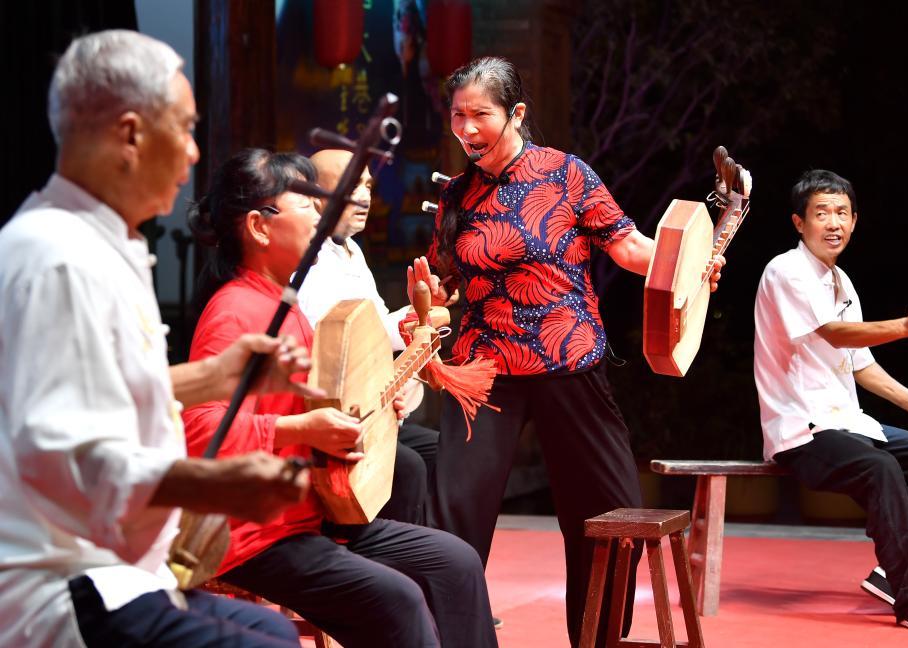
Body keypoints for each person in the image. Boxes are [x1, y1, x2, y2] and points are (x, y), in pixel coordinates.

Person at [0, 30, 325, 647]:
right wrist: (212, 484)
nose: (195, 153)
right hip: (62, 580)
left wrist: (217, 375)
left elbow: (96, 390)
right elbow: (58, 456)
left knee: (270, 632)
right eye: (183, 127)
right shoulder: (57, 258)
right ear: (129, 134)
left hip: (116, 564)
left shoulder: (98, 242)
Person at [408, 56, 723, 646]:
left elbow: (628, 247)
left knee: (611, 513)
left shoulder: (567, 174)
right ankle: (449, 638)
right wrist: (427, 298)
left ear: (516, 114)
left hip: (568, 358)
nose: (467, 129)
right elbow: (449, 285)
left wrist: (687, 264)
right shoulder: (456, 196)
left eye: (481, 115)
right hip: (484, 369)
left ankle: (598, 637)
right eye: (458, 116)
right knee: (454, 515)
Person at [184, 147, 498, 648]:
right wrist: (300, 432)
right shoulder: (236, 311)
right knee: (397, 598)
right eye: (306, 203)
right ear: (260, 228)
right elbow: (201, 430)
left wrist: (380, 397)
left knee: (454, 562)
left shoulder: (283, 305)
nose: (320, 213)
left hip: (313, 512)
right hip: (259, 533)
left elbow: (327, 396)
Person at [753, 169, 908, 634]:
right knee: (881, 469)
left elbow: (858, 362)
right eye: (821, 213)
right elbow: (834, 334)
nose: (833, 223)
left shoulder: (841, 281)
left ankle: (896, 578)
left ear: (854, 221)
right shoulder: (785, 270)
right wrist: (906, 327)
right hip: (801, 431)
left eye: (842, 213)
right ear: (799, 222)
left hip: (850, 424)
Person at [299, 149, 439, 525]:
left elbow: (375, 332)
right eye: (350, 186)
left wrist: (418, 312)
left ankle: (435, 553)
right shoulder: (308, 260)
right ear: (316, 197)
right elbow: (326, 351)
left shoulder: (351, 251)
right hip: (340, 414)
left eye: (367, 185)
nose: (364, 196)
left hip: (373, 406)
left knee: (446, 452)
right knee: (410, 465)